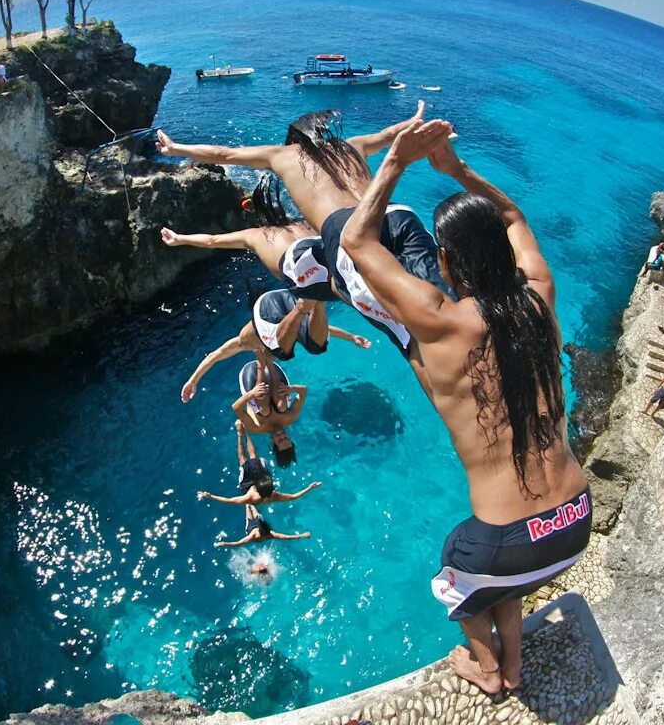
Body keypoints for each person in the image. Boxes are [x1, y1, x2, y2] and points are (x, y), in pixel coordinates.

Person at [339, 120, 591, 697]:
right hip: (576, 522)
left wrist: (395, 162)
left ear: (446, 263)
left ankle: (490, 670)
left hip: (505, 544)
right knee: (505, 575)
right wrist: (456, 172)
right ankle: (519, 662)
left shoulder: (440, 318)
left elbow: (356, 242)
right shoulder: (541, 298)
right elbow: (515, 217)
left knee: (454, 585)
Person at [156, 101, 456, 385]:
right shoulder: (352, 145)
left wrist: (176, 149)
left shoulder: (283, 156)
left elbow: (224, 155)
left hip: (349, 234)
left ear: (293, 140)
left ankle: (454, 386)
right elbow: (391, 135)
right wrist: (418, 119)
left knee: (409, 334)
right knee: (448, 304)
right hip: (395, 214)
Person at [180, 285, 370, 403]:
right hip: (287, 299)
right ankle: (318, 301)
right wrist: (351, 337)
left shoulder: (246, 341)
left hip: (266, 308)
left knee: (282, 351)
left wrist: (193, 380)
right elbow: (326, 330)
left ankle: (307, 303)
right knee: (316, 346)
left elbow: (215, 356)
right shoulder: (284, 335)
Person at [162, 174, 337, 300]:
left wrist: (179, 239)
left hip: (308, 284)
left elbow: (212, 240)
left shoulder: (255, 235)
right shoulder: (305, 223)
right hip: (330, 261)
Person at [198, 421, 323, 505]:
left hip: (246, 484)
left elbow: (230, 501)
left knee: (244, 461)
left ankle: (240, 434)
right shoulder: (273, 495)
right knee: (255, 458)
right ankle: (245, 431)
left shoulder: (250, 497)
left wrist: (210, 496)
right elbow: (293, 496)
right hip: (262, 481)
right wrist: (310, 488)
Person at [213, 504, 311, 548]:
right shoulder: (265, 535)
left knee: (249, 508)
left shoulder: (266, 534)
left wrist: (302, 535)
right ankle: (250, 503)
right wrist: (225, 544)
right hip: (253, 526)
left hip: (251, 526)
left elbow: (286, 537)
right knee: (251, 508)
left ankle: (249, 504)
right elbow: (240, 543)